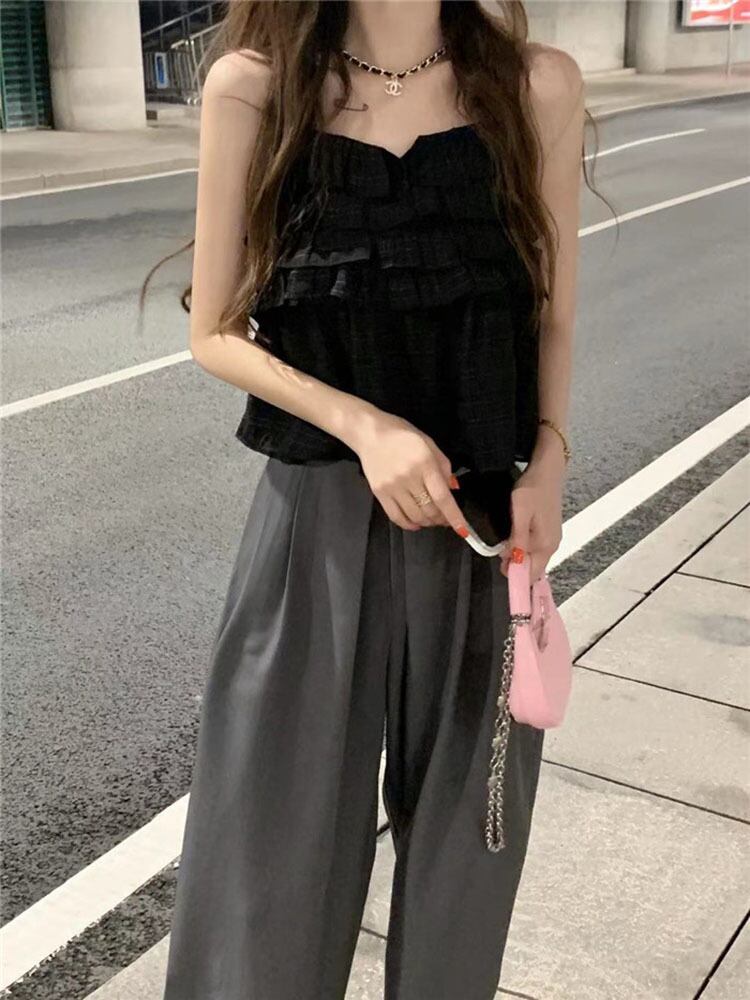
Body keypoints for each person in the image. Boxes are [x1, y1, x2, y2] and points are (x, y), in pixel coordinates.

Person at [158, 2, 587, 997]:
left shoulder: (537, 86)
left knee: (467, 857)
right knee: (269, 852)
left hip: (483, 531)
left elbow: (554, 309)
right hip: (311, 527)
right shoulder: (257, 88)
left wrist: (549, 460)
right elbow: (214, 331)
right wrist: (365, 426)